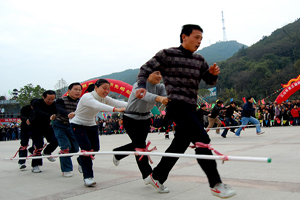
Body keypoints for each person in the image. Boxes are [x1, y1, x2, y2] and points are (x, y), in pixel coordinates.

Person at [135, 24, 236, 198]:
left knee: (180, 144)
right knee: (202, 138)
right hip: (176, 105)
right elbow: (145, 69)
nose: (199, 41)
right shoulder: (167, 54)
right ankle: (216, 183)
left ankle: (156, 176)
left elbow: (210, 82)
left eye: (201, 39)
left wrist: (212, 73)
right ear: (184, 37)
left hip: (191, 107)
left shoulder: (199, 60)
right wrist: (142, 86)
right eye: (196, 37)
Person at [70, 79, 127, 187]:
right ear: (96, 87)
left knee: (95, 148)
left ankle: (81, 160)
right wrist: (116, 110)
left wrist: (137, 106)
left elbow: (120, 102)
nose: (106, 91)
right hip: (78, 125)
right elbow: (98, 106)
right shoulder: (87, 97)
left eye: (108, 89)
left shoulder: (105, 98)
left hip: (91, 124)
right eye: (104, 88)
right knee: (86, 149)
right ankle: (88, 177)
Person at [112, 71, 168, 180]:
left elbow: (166, 97)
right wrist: (160, 99)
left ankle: (118, 153)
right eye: (157, 73)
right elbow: (145, 95)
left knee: (138, 145)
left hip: (145, 119)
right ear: (148, 74)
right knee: (140, 147)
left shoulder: (160, 87)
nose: (160, 76)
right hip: (131, 119)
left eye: (161, 74)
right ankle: (148, 176)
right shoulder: (138, 85)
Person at [52, 82, 82, 177]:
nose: (78, 91)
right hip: (60, 125)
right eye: (75, 89)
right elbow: (60, 110)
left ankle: (63, 154)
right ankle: (66, 170)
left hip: (72, 126)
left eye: (79, 90)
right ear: (69, 91)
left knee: (75, 148)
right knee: (65, 147)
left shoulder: (81, 102)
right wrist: (68, 114)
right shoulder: (61, 100)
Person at [28, 90, 59, 173]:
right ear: (43, 97)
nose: (51, 101)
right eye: (49, 99)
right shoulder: (36, 102)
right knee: (38, 145)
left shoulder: (54, 104)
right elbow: (38, 112)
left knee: (55, 141)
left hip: (47, 126)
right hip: (35, 126)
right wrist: (50, 116)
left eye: (53, 99)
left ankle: (47, 152)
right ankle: (35, 165)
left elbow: (57, 112)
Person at [18, 99, 36, 170]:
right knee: (24, 144)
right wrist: (26, 120)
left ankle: (35, 164)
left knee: (37, 145)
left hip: (35, 128)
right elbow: (22, 116)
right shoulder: (25, 108)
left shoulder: (40, 108)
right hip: (25, 128)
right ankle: (21, 162)